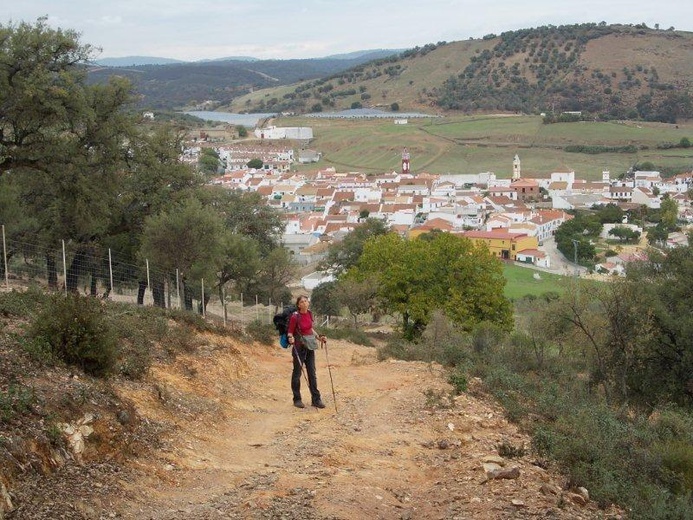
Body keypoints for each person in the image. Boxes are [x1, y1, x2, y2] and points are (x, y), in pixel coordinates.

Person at [287, 295, 327, 409]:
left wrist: (319, 338)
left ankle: (316, 399)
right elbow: (290, 331)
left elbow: (310, 329)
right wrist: (291, 338)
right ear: (298, 305)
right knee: (297, 373)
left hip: (309, 346)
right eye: (302, 302)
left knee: (312, 373)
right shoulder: (295, 317)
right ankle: (297, 399)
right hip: (299, 347)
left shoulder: (309, 313)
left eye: (306, 301)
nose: (305, 303)